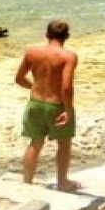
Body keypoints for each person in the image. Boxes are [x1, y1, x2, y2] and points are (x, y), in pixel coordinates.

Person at [15, 19, 80, 191]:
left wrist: (34, 87)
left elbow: (19, 79)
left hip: (35, 103)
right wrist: (68, 110)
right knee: (64, 143)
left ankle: (27, 182)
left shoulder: (32, 52)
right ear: (66, 36)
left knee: (35, 142)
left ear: (47, 35)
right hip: (56, 104)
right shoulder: (69, 56)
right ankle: (62, 182)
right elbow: (66, 87)